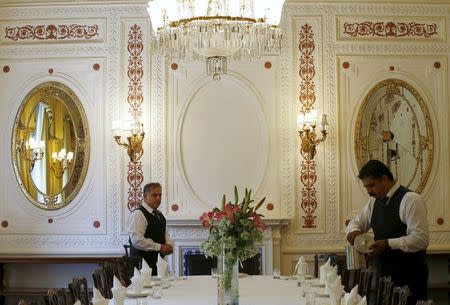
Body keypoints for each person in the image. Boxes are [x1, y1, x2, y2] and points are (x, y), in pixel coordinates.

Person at [346, 160, 429, 305]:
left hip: (410, 278)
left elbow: (421, 239)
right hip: (382, 279)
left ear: (384, 179)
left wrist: (388, 243)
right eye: (366, 187)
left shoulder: (410, 200)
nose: (369, 192)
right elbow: (356, 222)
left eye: (371, 185)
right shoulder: (373, 203)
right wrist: (354, 230)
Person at [128, 183, 173, 275]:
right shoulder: (138, 214)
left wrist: (169, 245)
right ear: (145, 196)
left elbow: (165, 233)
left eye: (160, 195)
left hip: (157, 264)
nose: (158, 198)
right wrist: (160, 247)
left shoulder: (159, 214)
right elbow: (137, 240)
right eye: (154, 195)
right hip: (142, 266)